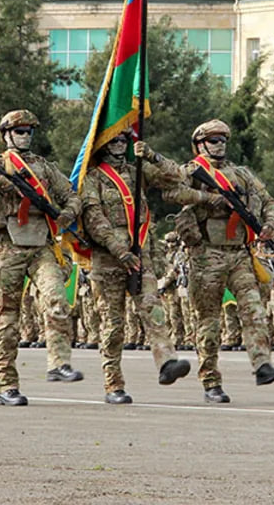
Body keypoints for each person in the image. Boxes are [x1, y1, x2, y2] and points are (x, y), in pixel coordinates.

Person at [0, 109, 85, 407]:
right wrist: (3, 181)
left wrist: (67, 214)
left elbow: (72, 194)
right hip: (7, 246)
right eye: (19, 131)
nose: (25, 136)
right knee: (7, 320)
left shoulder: (45, 167)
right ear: (6, 134)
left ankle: (58, 364)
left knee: (56, 298)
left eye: (29, 131)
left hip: (41, 244)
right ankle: (7, 384)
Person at [158, 119, 274, 403]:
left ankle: (262, 366)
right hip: (206, 254)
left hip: (240, 252)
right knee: (209, 322)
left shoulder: (241, 173)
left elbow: (269, 202)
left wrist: (270, 225)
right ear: (200, 144)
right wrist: (207, 198)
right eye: (213, 140)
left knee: (254, 309)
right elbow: (170, 193)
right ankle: (211, 381)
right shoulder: (192, 171)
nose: (219, 145)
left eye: (223, 140)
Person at [78, 130, 198, 405]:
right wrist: (119, 250)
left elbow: (176, 177)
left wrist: (152, 155)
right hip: (108, 258)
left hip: (139, 253)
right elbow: (94, 218)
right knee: (113, 325)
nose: (121, 145)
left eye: (124, 140)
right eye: (115, 141)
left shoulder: (137, 172)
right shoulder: (93, 178)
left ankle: (167, 361)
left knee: (153, 307)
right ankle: (113, 384)